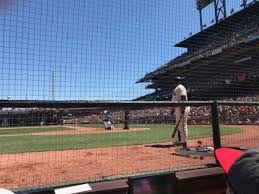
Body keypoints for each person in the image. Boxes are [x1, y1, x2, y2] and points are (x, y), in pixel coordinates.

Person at [171, 77, 190, 149]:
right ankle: (181, 141)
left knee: (183, 125)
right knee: (180, 126)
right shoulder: (176, 88)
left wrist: (183, 108)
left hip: (181, 108)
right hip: (177, 108)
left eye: (177, 80)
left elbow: (183, 98)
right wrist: (173, 109)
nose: (175, 82)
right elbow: (175, 99)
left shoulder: (180, 87)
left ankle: (184, 142)